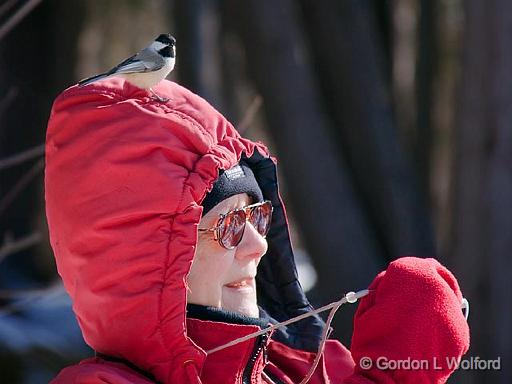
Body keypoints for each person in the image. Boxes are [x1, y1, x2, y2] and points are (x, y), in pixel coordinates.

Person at [45, 77, 470, 383]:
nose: (257, 244)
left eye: (256, 216)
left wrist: (396, 367)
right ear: (143, 261)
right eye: (229, 225)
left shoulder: (289, 366)